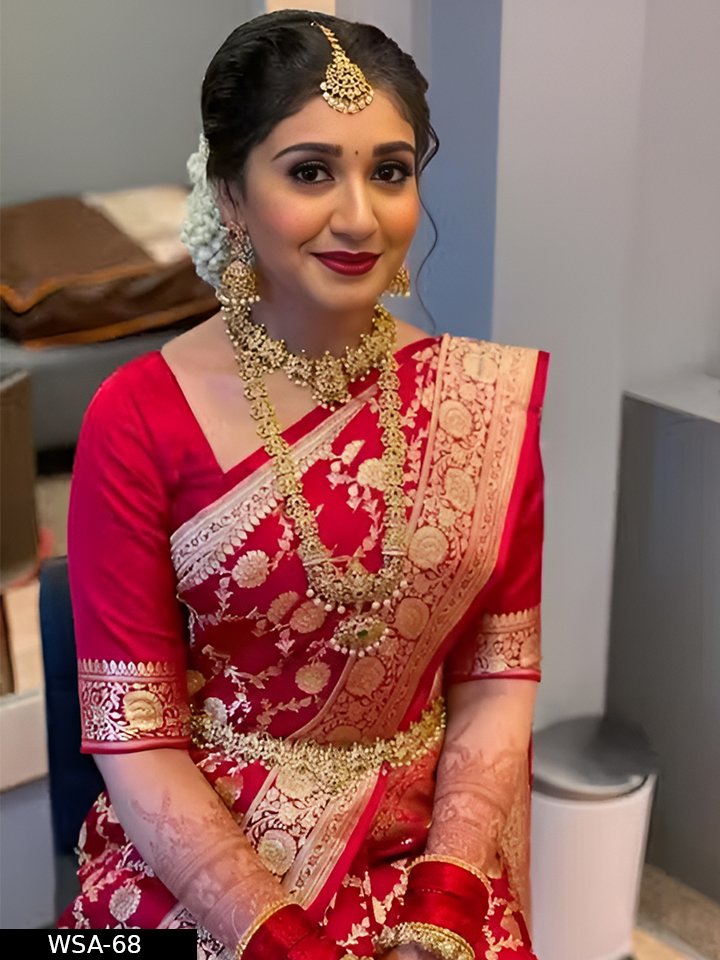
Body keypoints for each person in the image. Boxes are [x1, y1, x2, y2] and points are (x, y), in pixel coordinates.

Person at [60, 11, 549, 960]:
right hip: (202, 861)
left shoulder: (480, 404)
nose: (360, 216)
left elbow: (496, 675)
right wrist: (285, 943)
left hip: (422, 854)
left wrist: (445, 904)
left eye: (390, 172)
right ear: (232, 196)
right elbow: (137, 739)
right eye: (311, 172)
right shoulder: (138, 418)